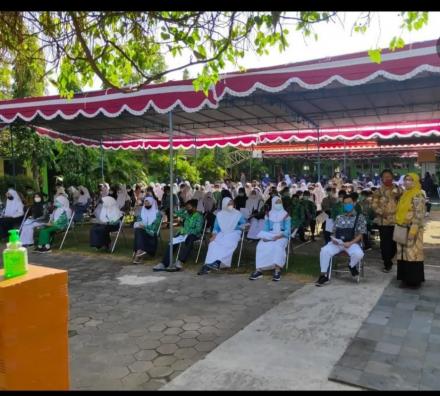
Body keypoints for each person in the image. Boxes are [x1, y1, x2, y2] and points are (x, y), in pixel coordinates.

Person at [315, 194, 367, 287]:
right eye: (345, 203)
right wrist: (334, 239)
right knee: (324, 250)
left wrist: (350, 243)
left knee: (359, 254)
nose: (347, 205)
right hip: (338, 243)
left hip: (352, 243)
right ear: (343, 205)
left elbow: (361, 234)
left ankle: (351, 266)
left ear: (354, 203)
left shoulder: (360, 217)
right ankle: (323, 275)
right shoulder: (339, 217)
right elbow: (333, 232)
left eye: (350, 203)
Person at [198, 198, 246, 275]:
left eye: (232, 204)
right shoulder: (219, 214)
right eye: (229, 204)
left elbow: (244, 224)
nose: (231, 205)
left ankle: (217, 262)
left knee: (227, 243)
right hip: (222, 232)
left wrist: (236, 227)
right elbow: (216, 228)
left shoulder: (237, 214)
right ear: (224, 205)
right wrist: (213, 235)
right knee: (213, 244)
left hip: (234, 232)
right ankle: (208, 265)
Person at [153, 199, 204, 272]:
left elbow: (198, 229)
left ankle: (180, 261)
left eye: (189, 207)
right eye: (187, 207)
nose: (187, 209)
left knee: (189, 239)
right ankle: (164, 263)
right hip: (183, 233)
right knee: (173, 240)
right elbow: (176, 213)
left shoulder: (199, 216)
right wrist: (184, 208)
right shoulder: (187, 214)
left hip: (193, 234)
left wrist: (187, 232)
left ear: (195, 207)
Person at [249, 196, 291, 282]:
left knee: (277, 246)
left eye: (279, 202)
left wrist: (279, 236)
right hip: (270, 235)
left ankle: (277, 270)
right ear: (273, 203)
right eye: (276, 202)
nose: (278, 204)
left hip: (282, 236)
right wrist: (265, 236)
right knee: (260, 246)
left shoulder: (286, 215)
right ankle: (259, 270)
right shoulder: (268, 214)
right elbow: (265, 228)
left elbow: (288, 230)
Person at [395, 173, 426, 289]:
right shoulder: (405, 194)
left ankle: (414, 281)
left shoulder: (418, 195)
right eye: (406, 179)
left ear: (416, 182)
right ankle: (404, 278)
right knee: (403, 255)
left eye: (410, 180)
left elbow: (419, 215)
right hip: (402, 228)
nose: (407, 182)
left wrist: (412, 232)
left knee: (412, 255)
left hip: (413, 230)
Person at [371, 169, 403, 273]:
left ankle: (391, 257)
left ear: (392, 177)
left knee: (394, 243)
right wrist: (381, 212)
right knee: (385, 243)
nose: (387, 178)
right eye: (385, 177)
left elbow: (404, 202)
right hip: (383, 222)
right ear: (381, 178)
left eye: (389, 176)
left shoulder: (399, 190)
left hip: (396, 221)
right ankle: (387, 263)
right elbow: (374, 205)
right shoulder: (378, 191)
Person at [132, 197, 163, 264]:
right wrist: (140, 225)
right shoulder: (142, 211)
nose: (146, 204)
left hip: (151, 233)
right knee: (138, 230)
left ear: (152, 203)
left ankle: (138, 253)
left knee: (139, 231)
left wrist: (145, 227)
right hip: (142, 230)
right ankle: (140, 253)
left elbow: (154, 227)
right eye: (145, 203)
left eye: (148, 203)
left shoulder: (157, 214)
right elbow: (139, 220)